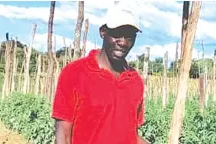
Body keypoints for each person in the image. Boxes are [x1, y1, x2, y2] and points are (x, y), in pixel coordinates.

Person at [51, 2, 149, 144]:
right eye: (117, 34)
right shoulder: (74, 73)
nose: (123, 42)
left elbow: (130, 135)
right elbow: (64, 135)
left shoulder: (135, 81)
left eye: (129, 36)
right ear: (103, 32)